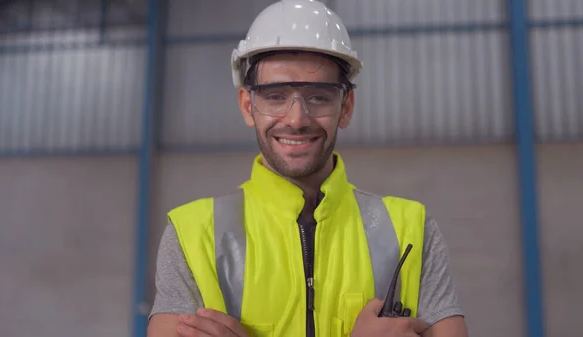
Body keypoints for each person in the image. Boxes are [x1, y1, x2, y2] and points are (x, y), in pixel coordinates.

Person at [147, 0, 468, 336]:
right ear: (247, 106)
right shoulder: (192, 234)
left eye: (318, 96)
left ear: (346, 107)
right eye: (274, 96)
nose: (296, 119)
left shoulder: (410, 231)